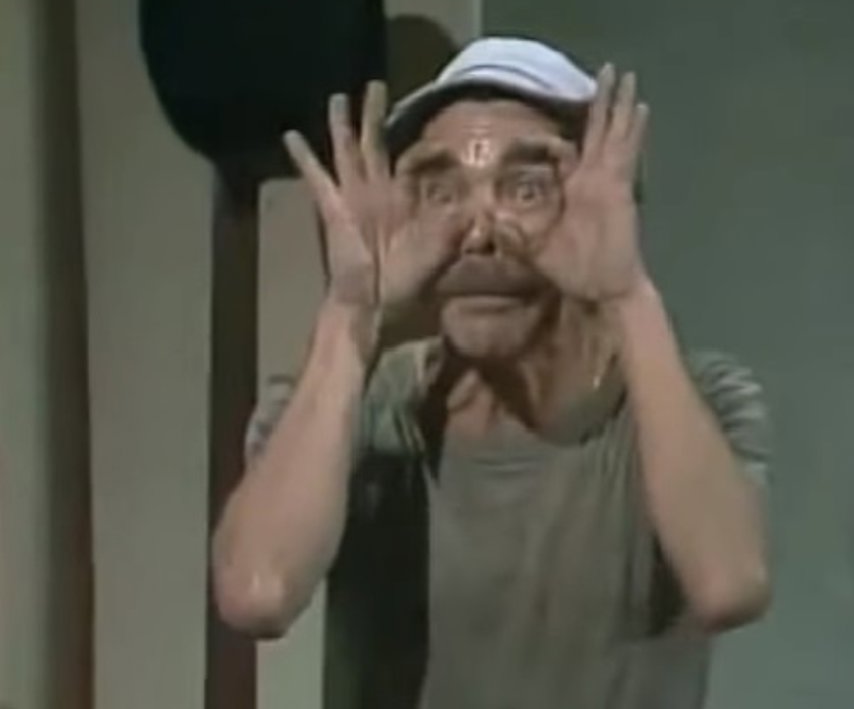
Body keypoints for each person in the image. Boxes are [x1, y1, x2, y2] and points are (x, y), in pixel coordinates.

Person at [212, 37, 772, 709]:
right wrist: (351, 315)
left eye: (527, 188)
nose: (478, 235)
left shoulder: (694, 400)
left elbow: (729, 584)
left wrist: (626, 294)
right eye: (442, 191)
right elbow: (257, 594)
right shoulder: (353, 407)